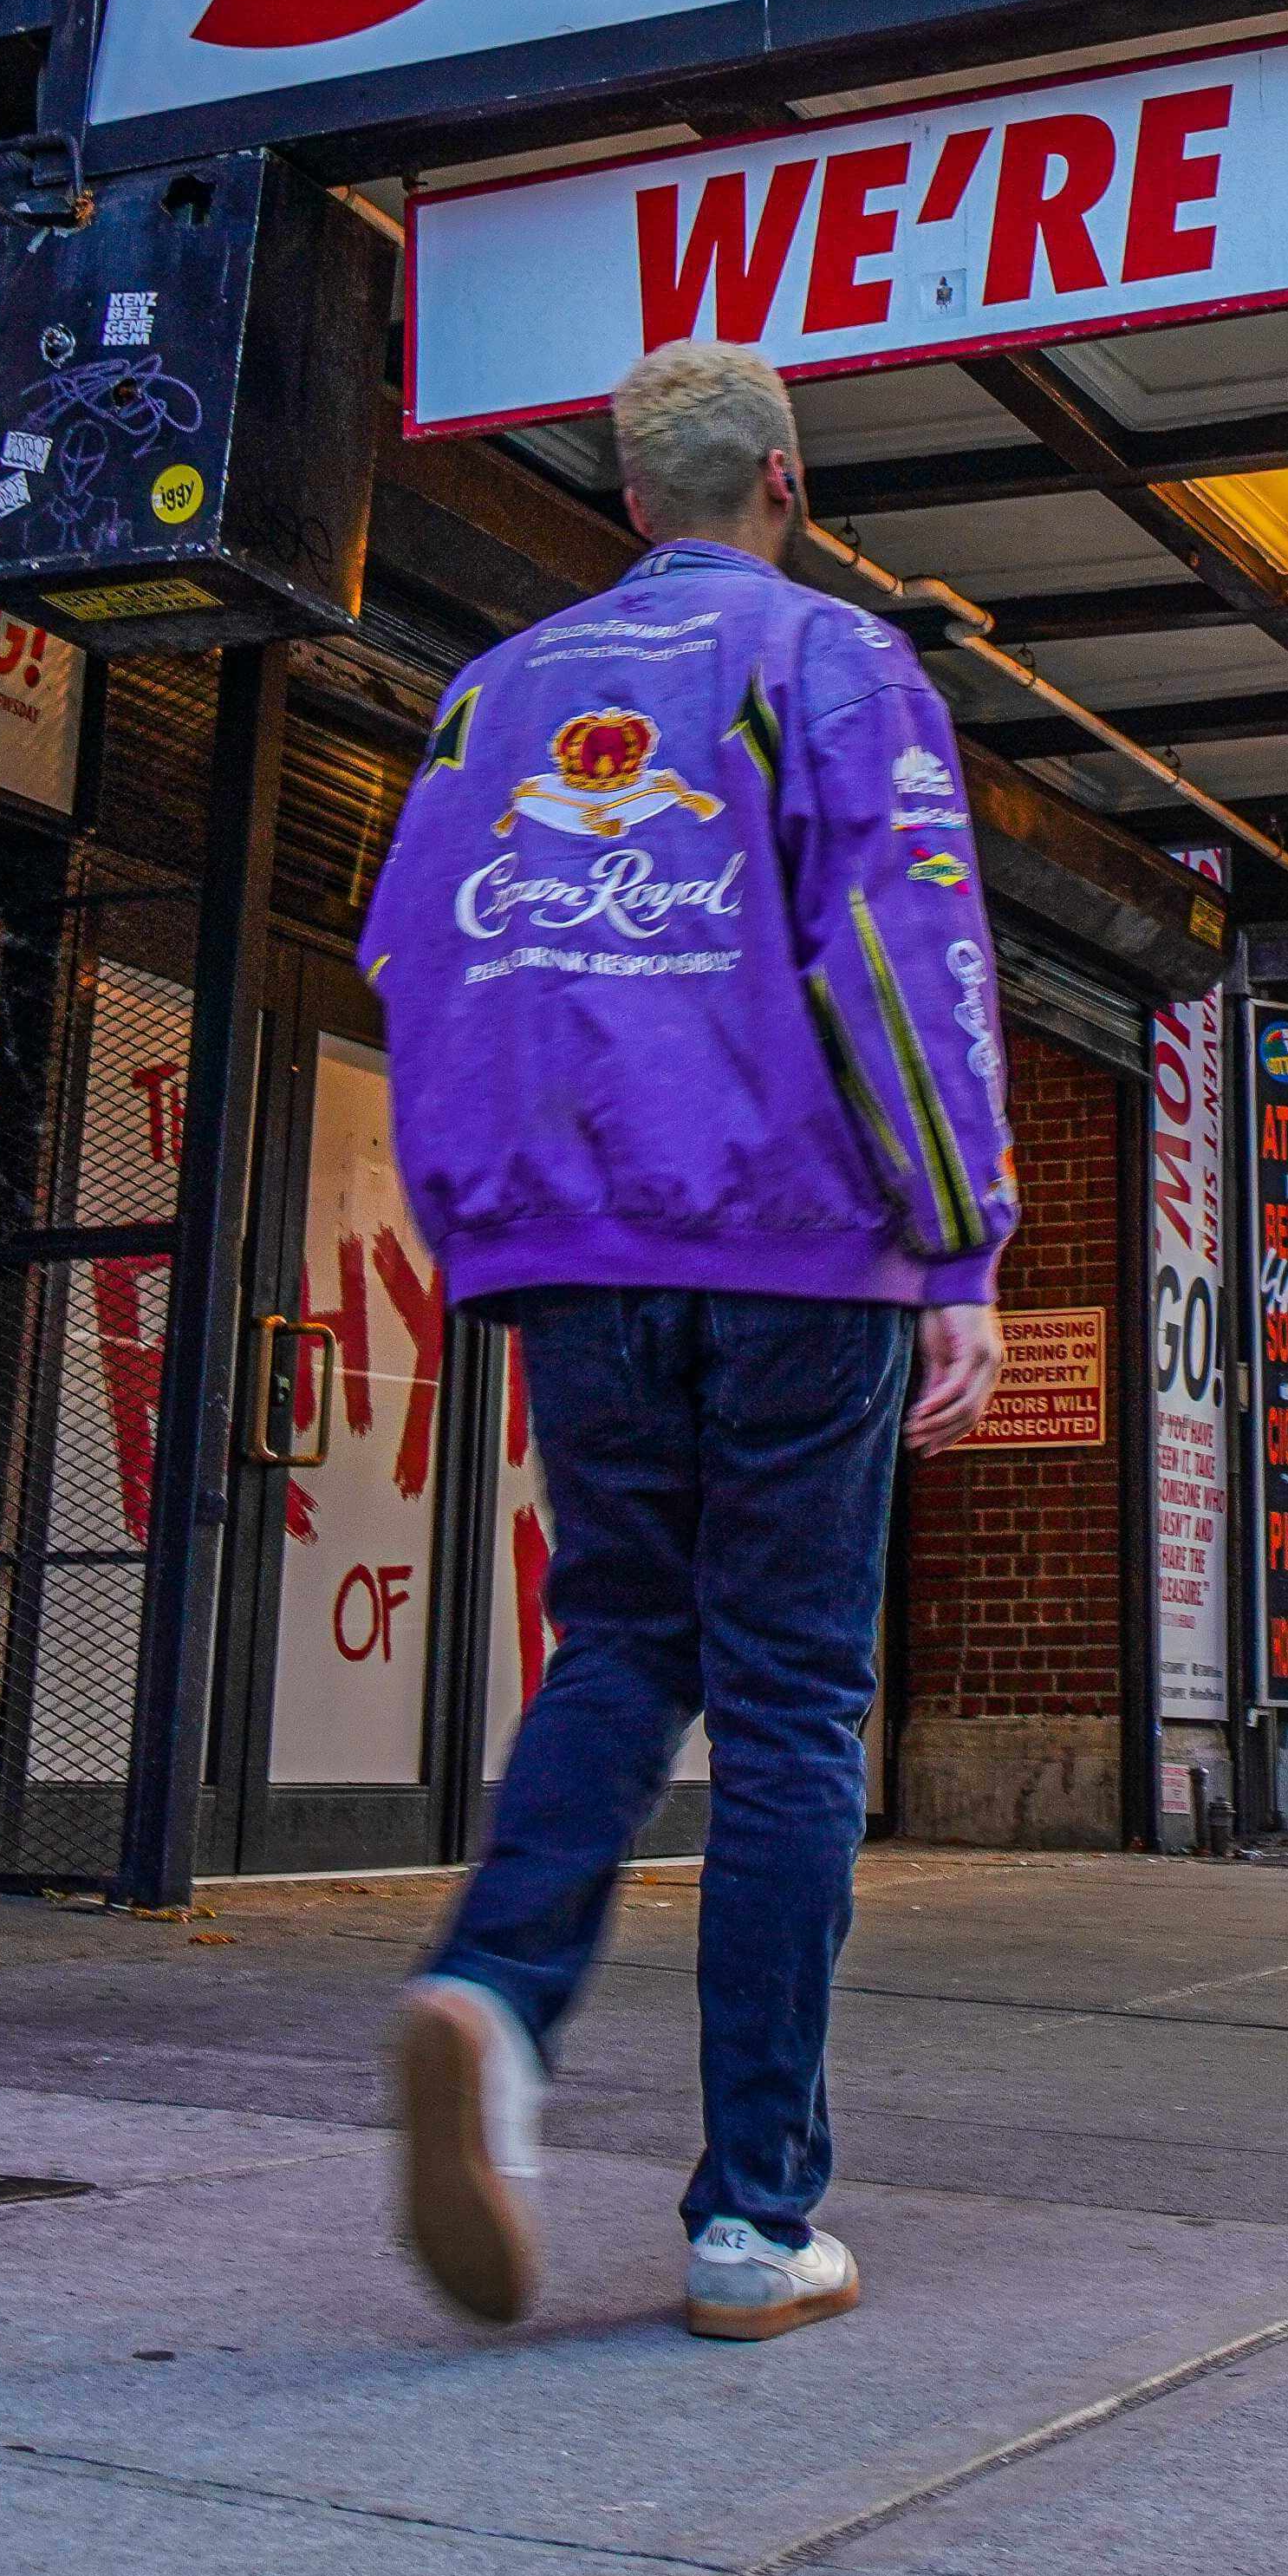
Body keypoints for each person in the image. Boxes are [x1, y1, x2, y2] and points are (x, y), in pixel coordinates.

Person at [370, 344, 1018, 2350]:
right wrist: (958, 1241)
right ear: (786, 484)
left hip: (576, 1245)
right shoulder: (833, 659)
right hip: (800, 1245)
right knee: (796, 1697)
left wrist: (493, 1223)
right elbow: (899, 941)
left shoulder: (491, 692)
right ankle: (752, 2216)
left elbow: (415, 951)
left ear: (629, 497)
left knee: (625, 1638)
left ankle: (493, 1994)